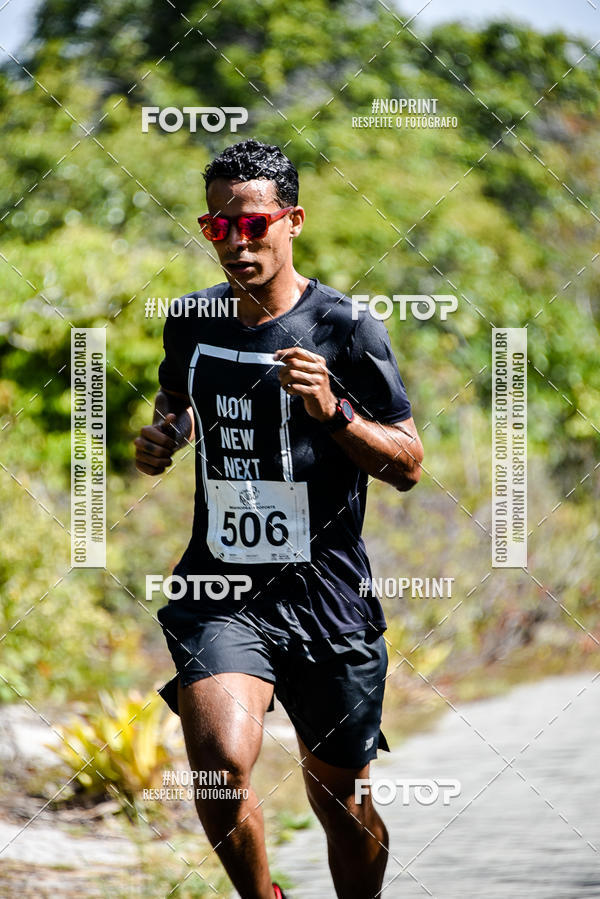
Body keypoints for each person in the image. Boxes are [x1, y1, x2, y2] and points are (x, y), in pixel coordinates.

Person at [134, 138, 423, 899]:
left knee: (344, 803)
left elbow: (408, 464)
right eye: (218, 227)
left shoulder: (348, 328)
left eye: (254, 223)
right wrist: (167, 435)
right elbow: (179, 398)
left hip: (327, 599)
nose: (237, 242)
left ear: (292, 220)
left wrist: (333, 410)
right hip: (220, 589)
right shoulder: (191, 320)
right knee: (223, 764)